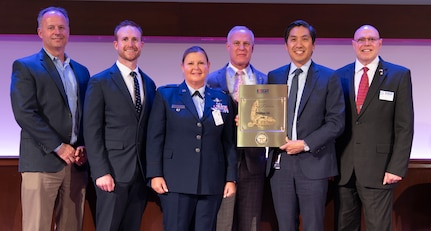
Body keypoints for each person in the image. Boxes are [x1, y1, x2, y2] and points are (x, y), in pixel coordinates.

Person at [10, 6, 90, 231]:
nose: (57, 31)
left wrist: (82, 145)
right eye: (51, 27)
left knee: (71, 227)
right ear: (40, 32)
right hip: (41, 162)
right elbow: (24, 113)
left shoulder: (81, 71)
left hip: (75, 165)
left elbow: (84, 115)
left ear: (69, 31)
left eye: (62, 27)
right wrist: (57, 146)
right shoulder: (26, 66)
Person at [146, 46, 237, 231]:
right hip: (175, 182)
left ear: (209, 66)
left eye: (201, 63)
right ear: (182, 67)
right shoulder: (166, 95)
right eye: (191, 63)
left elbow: (229, 142)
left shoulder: (222, 99)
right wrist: (155, 174)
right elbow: (155, 138)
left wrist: (230, 178)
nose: (196, 67)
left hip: (211, 182)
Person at [266, 20, 345, 231]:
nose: (298, 44)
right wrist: (249, 124)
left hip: (314, 163)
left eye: (304, 39)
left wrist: (305, 143)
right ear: (286, 45)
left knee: (313, 226)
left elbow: (336, 122)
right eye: (293, 39)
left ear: (313, 45)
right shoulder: (274, 76)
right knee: (284, 226)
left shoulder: (329, 77)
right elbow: (267, 116)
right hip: (279, 166)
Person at [334, 25, 414, 231]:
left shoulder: (399, 75)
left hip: (380, 171)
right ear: (353, 45)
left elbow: (405, 126)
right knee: (344, 227)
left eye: (371, 39)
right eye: (361, 40)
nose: (366, 44)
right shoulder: (338, 76)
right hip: (344, 170)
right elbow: (332, 122)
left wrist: (396, 167)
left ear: (380, 43)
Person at [83, 20, 156, 231]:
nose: (130, 44)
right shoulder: (100, 82)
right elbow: (92, 130)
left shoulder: (149, 83)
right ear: (116, 44)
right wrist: (100, 171)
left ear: (142, 44)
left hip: (140, 176)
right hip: (112, 175)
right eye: (125, 39)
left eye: (135, 39)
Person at [206, 25, 267, 231]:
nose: (242, 48)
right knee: (222, 225)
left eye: (246, 44)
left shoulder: (266, 81)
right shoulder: (210, 81)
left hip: (254, 162)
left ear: (253, 47)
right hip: (221, 163)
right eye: (237, 43)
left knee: (251, 224)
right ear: (228, 46)